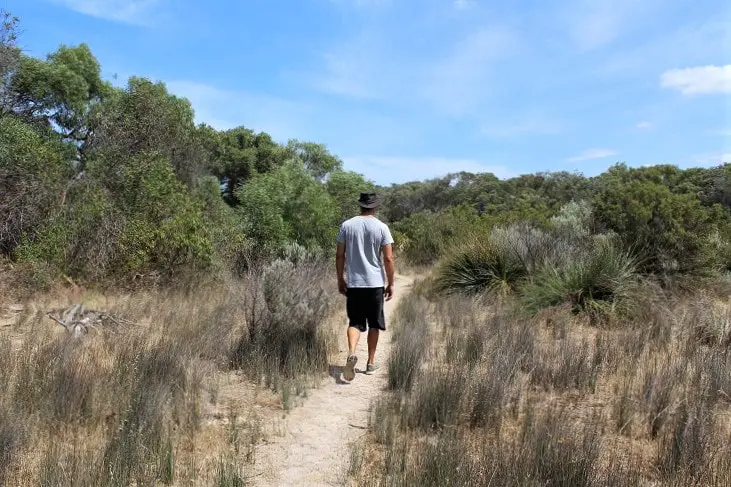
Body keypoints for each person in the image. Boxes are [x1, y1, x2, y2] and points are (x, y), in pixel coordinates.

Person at [335, 192, 395, 382]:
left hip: (354, 283)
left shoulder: (347, 225)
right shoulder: (382, 227)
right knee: (374, 324)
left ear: (360, 205)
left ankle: (352, 352)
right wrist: (391, 283)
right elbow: (388, 258)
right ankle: (370, 363)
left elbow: (339, 255)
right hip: (375, 283)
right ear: (375, 207)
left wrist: (340, 279)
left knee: (354, 322)